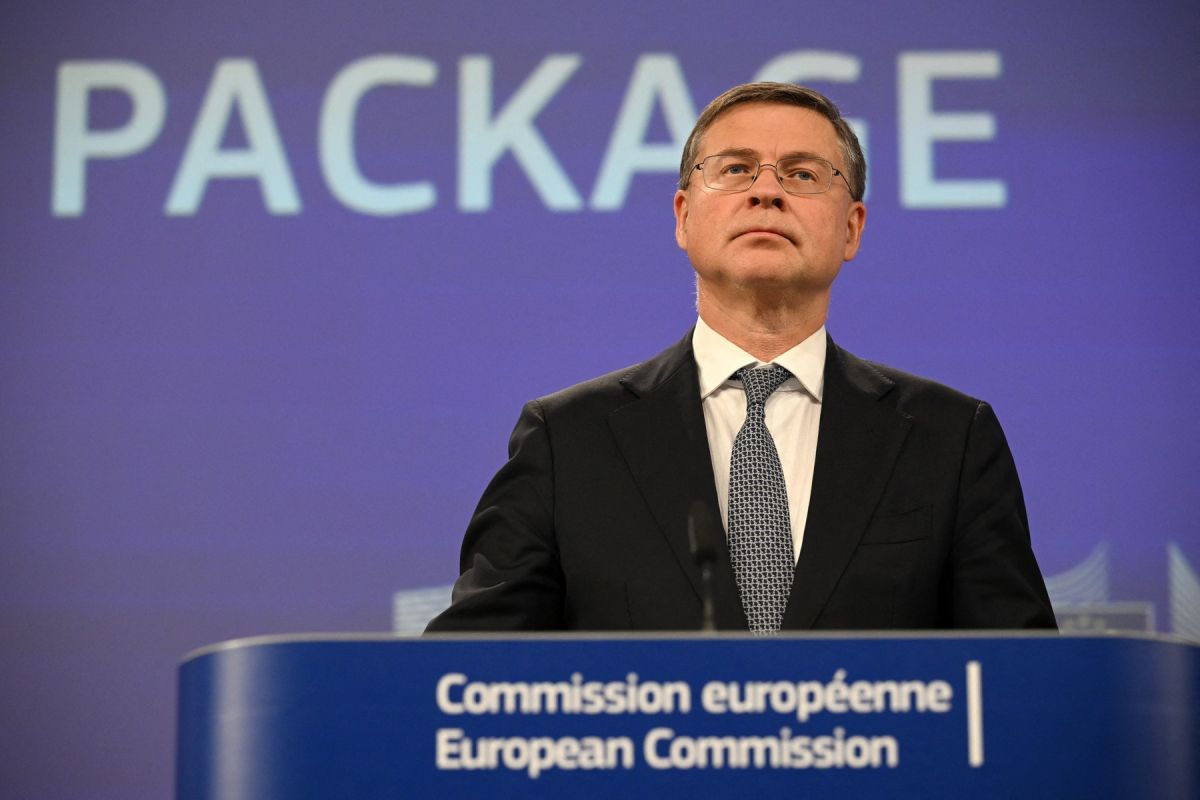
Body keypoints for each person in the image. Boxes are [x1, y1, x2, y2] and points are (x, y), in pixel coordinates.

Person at [426, 82, 1056, 633]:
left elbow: (1025, 682)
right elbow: (469, 675)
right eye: (735, 169)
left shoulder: (950, 439)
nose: (767, 192)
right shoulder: (568, 440)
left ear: (852, 229)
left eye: (803, 174)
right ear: (683, 217)